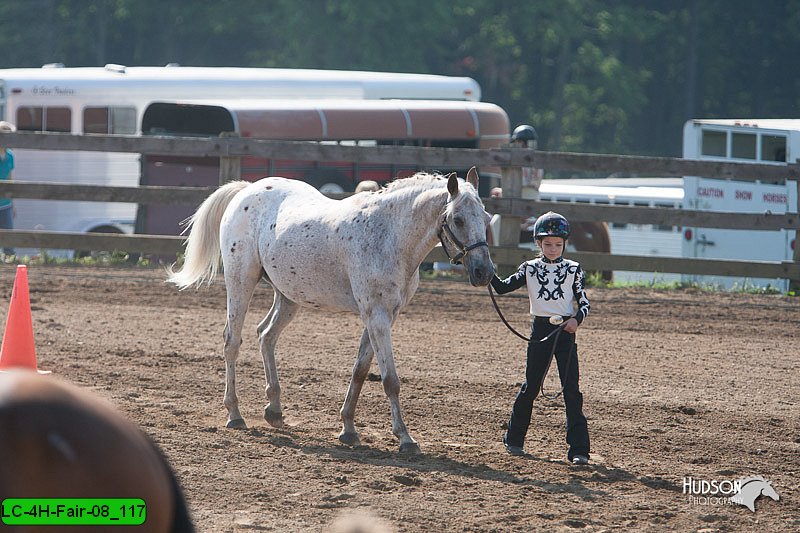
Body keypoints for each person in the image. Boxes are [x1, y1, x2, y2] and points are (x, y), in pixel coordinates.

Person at [491, 211, 591, 464]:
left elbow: (584, 303)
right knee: (531, 386)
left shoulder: (573, 270)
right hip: (541, 331)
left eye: (558, 244)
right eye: (548, 244)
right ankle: (514, 439)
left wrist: (576, 320)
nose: (553, 249)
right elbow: (502, 287)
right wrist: (486, 271)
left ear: (565, 243)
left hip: (564, 333)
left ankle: (579, 450)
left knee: (571, 390)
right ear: (538, 243)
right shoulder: (530, 269)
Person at [0, 121, 16, 256]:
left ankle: (9, 260)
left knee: (9, 238)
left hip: (6, 203)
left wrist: (13, 203)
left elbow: (11, 179)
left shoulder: (10, 155)